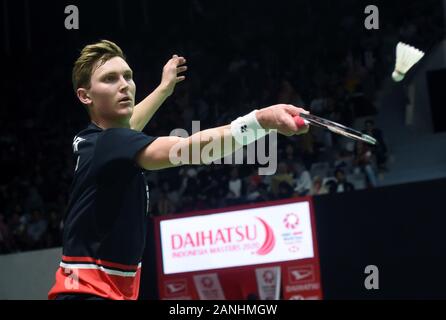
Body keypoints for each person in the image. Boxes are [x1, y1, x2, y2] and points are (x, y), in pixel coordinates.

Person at [48, 40, 309, 300]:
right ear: (85, 96)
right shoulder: (112, 143)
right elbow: (187, 149)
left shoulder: (92, 141)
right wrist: (259, 121)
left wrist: (163, 89)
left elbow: (130, 125)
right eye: (110, 79)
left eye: (127, 76)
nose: (124, 84)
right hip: (89, 294)